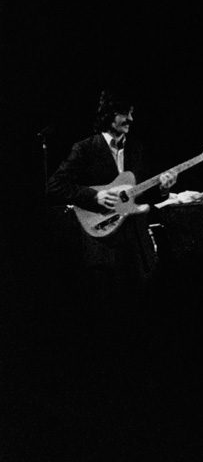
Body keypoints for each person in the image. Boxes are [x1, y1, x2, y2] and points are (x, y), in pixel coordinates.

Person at [46, 89, 178, 340]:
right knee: (108, 325)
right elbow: (54, 186)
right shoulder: (85, 148)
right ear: (108, 115)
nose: (130, 119)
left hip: (136, 249)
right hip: (103, 247)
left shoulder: (137, 149)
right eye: (123, 113)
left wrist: (163, 190)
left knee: (142, 323)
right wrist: (93, 196)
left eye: (131, 113)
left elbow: (141, 196)